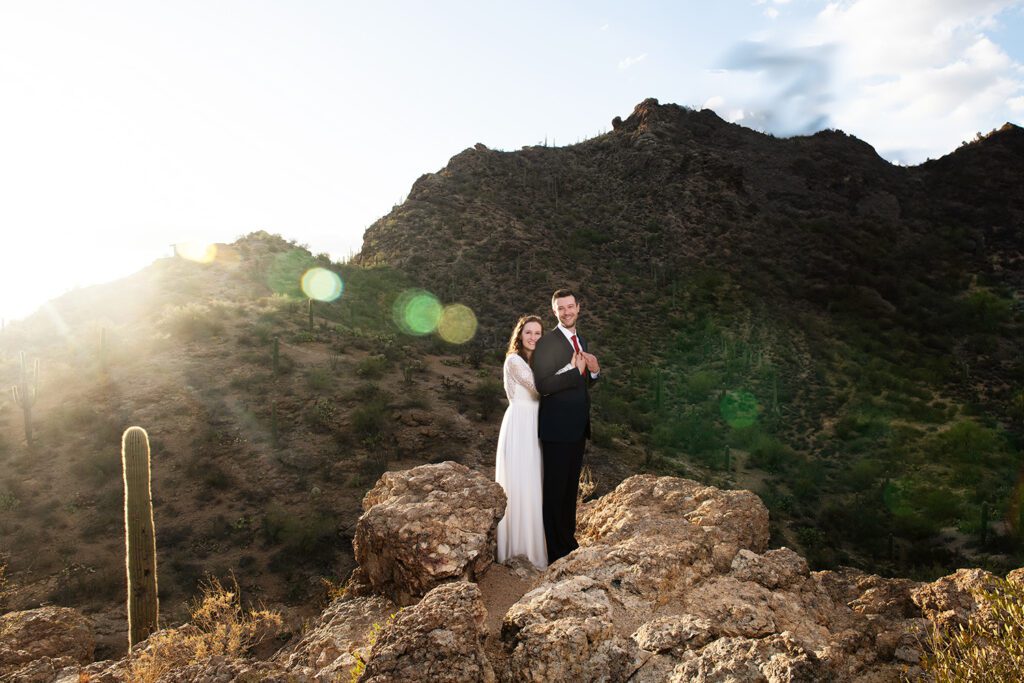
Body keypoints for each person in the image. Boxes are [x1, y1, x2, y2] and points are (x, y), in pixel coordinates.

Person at [532, 289, 600, 564]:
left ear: (578, 308)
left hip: (577, 428)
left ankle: (568, 542)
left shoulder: (579, 339)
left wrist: (594, 371)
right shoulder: (547, 343)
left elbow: (583, 381)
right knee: (555, 491)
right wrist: (574, 372)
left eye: (570, 306)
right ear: (555, 312)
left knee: (570, 489)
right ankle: (555, 551)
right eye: (561, 308)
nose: (566, 312)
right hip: (557, 429)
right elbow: (543, 385)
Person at [495, 315, 548, 569]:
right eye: (529, 332)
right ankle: (517, 550)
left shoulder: (534, 361)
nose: (533, 337)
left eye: (538, 333)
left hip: (535, 425)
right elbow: (539, 387)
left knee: (534, 483)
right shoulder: (514, 360)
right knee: (520, 484)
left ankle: (535, 547)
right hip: (519, 425)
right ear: (520, 334)